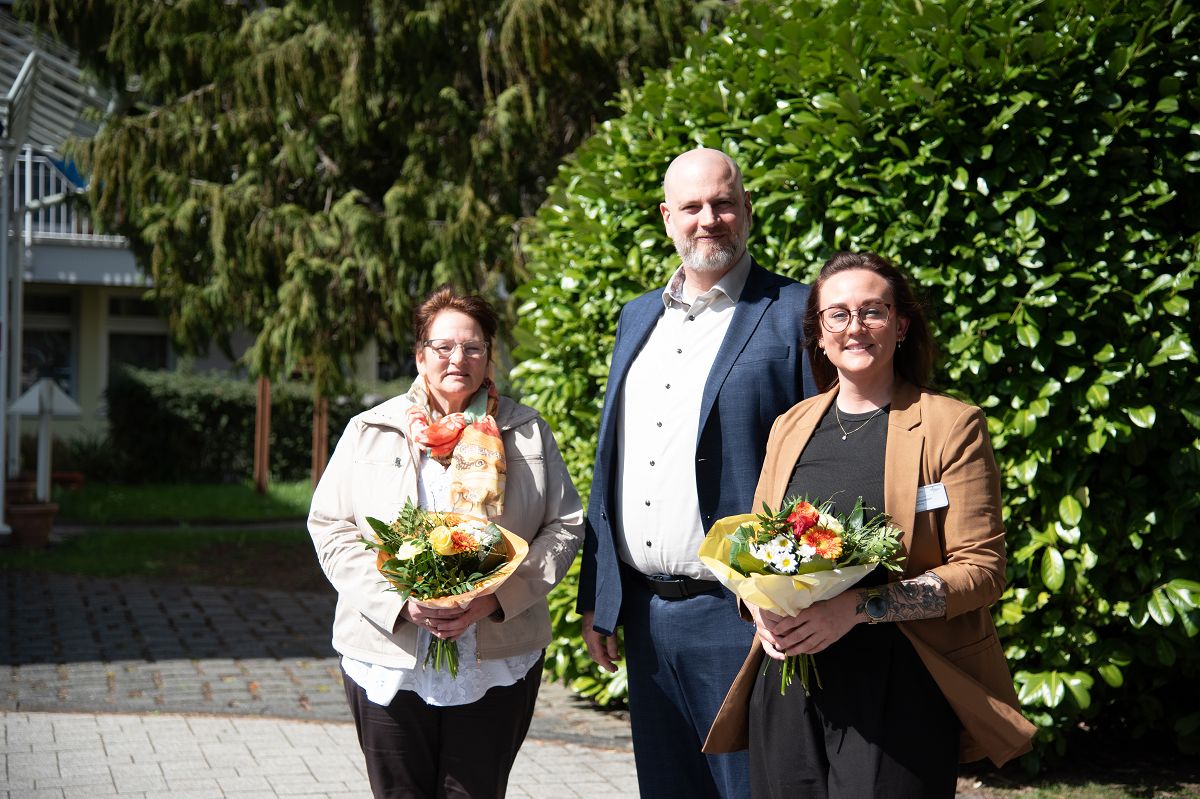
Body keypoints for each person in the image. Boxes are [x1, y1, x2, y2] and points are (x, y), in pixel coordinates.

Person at [703, 251, 1036, 797]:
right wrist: (759, 607)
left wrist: (854, 609)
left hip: (901, 685)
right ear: (819, 332)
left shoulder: (951, 426)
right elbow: (756, 547)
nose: (854, 327)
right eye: (837, 314)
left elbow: (981, 571)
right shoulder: (792, 425)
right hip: (789, 683)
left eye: (872, 312)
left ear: (900, 326)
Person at [577, 146, 816, 798]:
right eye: (691, 206)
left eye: (723, 202)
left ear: (746, 210)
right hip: (647, 619)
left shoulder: (795, 312)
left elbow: (820, 463)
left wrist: (797, 592)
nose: (708, 219)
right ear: (666, 218)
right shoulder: (636, 317)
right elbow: (611, 460)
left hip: (741, 619)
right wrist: (599, 596)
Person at [308, 287, 584, 798]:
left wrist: (494, 599)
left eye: (474, 347)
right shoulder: (371, 430)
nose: (459, 359)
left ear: (488, 355)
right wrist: (398, 600)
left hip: (497, 655)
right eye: (443, 347)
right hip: (388, 654)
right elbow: (330, 526)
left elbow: (564, 526)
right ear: (420, 355)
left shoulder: (526, 431)